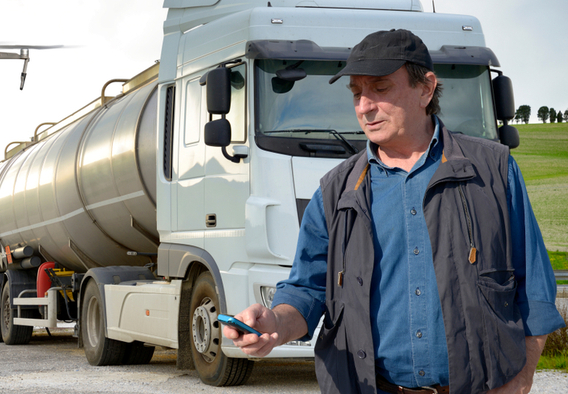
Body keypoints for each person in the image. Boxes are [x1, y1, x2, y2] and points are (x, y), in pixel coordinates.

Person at [224, 29, 565, 394]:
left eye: (380, 89)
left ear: (426, 88)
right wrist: (272, 322)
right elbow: (307, 291)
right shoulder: (335, 191)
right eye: (356, 92)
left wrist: (522, 376)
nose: (364, 106)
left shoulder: (493, 171)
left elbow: (536, 288)